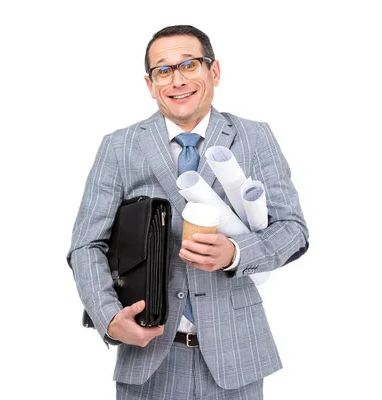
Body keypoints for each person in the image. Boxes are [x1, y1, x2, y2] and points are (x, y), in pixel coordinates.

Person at [66, 25, 309, 400]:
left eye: (189, 65)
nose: (177, 80)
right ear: (150, 84)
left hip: (237, 357)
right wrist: (110, 319)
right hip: (149, 356)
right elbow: (86, 245)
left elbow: (292, 230)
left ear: (214, 71)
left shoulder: (254, 137)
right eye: (163, 70)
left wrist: (236, 254)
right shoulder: (119, 147)